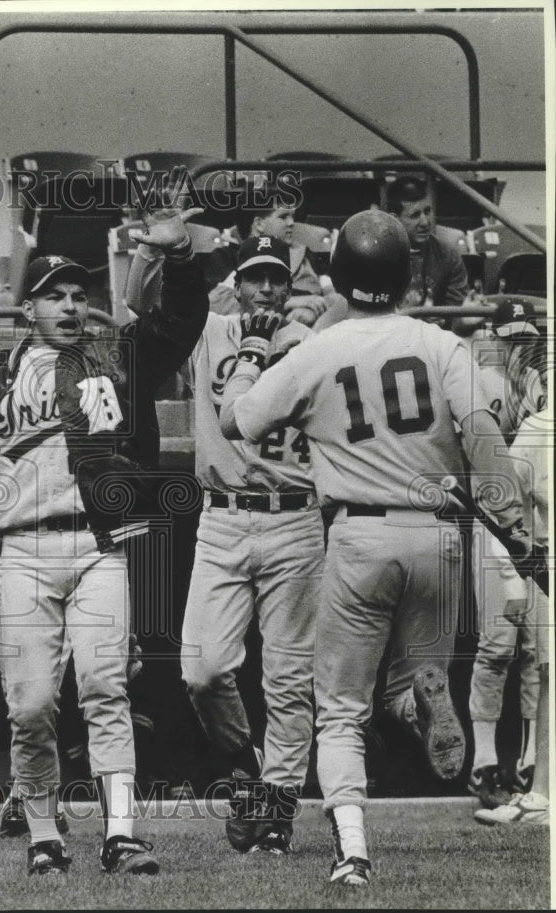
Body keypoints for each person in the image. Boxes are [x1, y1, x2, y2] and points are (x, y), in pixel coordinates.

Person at [218, 209, 530, 887]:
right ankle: (422, 704)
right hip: (440, 531)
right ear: (406, 276)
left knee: (338, 708)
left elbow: (236, 419)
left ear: (338, 277)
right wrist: (514, 522)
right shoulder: (439, 341)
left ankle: (353, 852)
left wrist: (248, 358)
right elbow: (486, 429)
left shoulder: (317, 350)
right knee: (403, 685)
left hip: (359, 531)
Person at [0, 222, 209, 876]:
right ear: (26, 307)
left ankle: (122, 832)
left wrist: (177, 256)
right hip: (18, 555)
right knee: (31, 705)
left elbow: (180, 321)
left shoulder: (116, 355)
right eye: (53, 294)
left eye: (77, 293)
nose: (69, 304)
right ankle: (43, 833)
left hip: (97, 547)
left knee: (104, 687)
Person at [176, 235, 323, 856]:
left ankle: (276, 811)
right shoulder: (208, 329)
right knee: (202, 670)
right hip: (223, 517)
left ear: (290, 287)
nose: (266, 288)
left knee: (289, 681)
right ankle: (244, 762)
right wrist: (177, 249)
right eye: (255, 277)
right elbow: (143, 302)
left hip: (294, 518)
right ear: (235, 284)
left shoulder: (312, 347)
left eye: (276, 279)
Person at [466, 298, 546, 809]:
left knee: (540, 650)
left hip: (536, 515)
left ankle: (535, 757)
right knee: (498, 643)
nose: (519, 349)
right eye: (509, 338)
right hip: (493, 516)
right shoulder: (478, 384)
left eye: (526, 339)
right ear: (493, 338)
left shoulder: (542, 389)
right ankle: (484, 761)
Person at [475, 399, 551, 826]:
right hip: (546, 563)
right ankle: (538, 790)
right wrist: (511, 581)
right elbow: (503, 506)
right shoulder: (539, 426)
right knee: (544, 670)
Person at [314, 175, 470, 331]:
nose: (425, 222)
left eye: (428, 211)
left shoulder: (449, 255)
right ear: (395, 218)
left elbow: (457, 321)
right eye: (415, 215)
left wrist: (459, 322)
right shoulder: (372, 255)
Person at [205, 189, 344, 326]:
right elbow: (216, 305)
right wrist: (288, 304)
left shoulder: (308, 256)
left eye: (292, 216)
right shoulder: (228, 257)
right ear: (259, 224)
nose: (291, 223)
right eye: (283, 217)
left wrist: (313, 311)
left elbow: (338, 299)